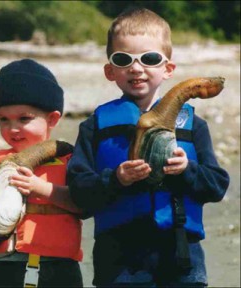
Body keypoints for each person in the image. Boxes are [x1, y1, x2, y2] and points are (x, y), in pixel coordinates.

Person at [67, 7, 230, 287]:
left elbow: (217, 185)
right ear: (110, 70)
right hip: (119, 263)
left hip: (182, 258)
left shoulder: (194, 126)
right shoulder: (95, 127)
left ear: (168, 69)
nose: (136, 67)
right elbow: (79, 191)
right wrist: (115, 178)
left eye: (150, 58)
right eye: (123, 59)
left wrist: (186, 170)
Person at [0, 59, 83, 287]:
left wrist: (40, 188)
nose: (13, 128)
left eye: (24, 119)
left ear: (52, 119)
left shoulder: (70, 161)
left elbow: (86, 203)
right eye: (4, 119)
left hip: (57, 271)